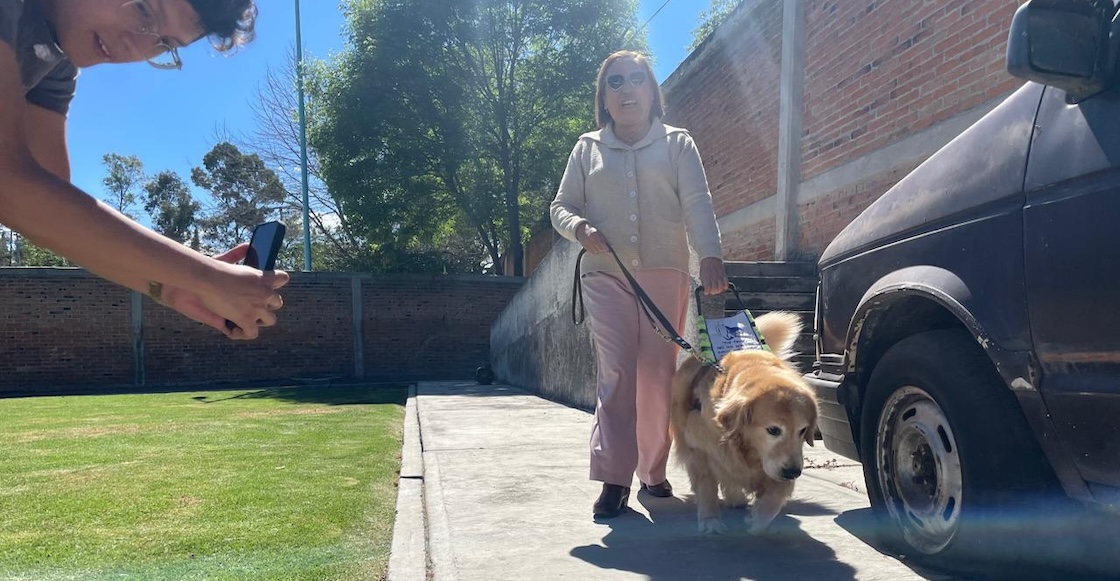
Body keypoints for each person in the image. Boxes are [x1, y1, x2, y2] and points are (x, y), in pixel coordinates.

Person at [0, 0, 288, 339]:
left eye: (164, 43)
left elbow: (47, 212)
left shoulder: (55, 64)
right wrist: (206, 276)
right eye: (143, 11)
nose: (135, 48)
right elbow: (10, 186)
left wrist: (169, 286)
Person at [550, 50, 729, 519]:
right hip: (605, 274)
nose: (626, 89)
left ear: (651, 91)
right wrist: (579, 228)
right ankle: (614, 478)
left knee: (655, 376)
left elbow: (697, 202)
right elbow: (560, 206)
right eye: (615, 82)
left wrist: (710, 255)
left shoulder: (678, 143)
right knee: (617, 373)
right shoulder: (586, 148)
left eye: (636, 79)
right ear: (603, 98)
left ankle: (652, 471)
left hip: (665, 274)